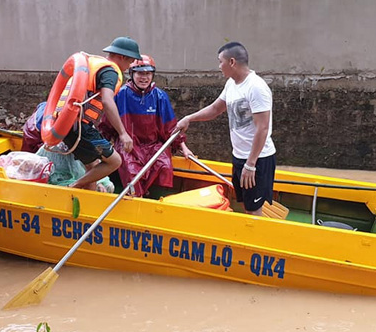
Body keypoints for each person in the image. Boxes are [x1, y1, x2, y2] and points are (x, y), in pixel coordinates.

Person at [176, 42, 276, 216]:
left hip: (257, 159)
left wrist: (251, 164)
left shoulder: (256, 87)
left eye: (220, 62)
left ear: (232, 62)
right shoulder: (232, 84)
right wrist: (189, 118)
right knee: (246, 203)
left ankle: (255, 238)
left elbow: (263, 128)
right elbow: (215, 109)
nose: (218, 67)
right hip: (239, 156)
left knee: (254, 209)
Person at [100, 54, 193, 197]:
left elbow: (171, 127)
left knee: (165, 166)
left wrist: (184, 148)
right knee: (131, 171)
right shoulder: (121, 94)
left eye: (148, 73)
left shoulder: (160, 96)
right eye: (140, 73)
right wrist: (101, 147)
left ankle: (156, 201)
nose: (144, 77)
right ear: (132, 74)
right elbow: (107, 124)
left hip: (154, 145)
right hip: (129, 146)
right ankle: (134, 201)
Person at [57, 37, 142, 190]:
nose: (129, 66)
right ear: (122, 57)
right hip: (78, 127)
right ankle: (73, 187)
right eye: (130, 62)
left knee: (93, 165)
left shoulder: (94, 65)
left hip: (66, 123)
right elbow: (107, 101)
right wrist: (123, 133)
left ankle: (89, 201)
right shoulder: (110, 72)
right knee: (115, 161)